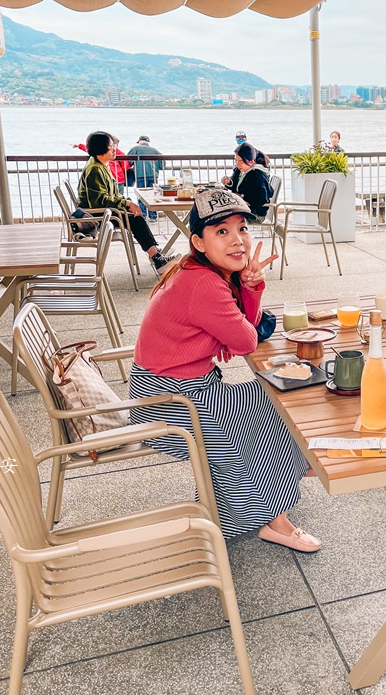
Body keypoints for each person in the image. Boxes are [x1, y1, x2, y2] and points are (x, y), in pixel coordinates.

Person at [127, 189, 320, 551]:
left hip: (171, 386)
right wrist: (250, 288)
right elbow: (247, 340)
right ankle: (272, 517)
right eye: (221, 232)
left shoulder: (195, 271)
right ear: (198, 242)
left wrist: (248, 286)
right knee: (265, 401)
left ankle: (285, 473)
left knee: (264, 396)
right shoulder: (202, 283)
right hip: (166, 402)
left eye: (242, 228)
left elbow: (244, 329)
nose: (238, 240)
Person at [76, 131, 174, 274]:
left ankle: (155, 253)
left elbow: (110, 196)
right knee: (135, 219)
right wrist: (126, 204)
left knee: (135, 215)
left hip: (105, 212)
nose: (114, 150)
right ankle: (156, 257)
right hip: (98, 216)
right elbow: (98, 201)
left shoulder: (101, 165)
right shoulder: (95, 170)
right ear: (100, 151)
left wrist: (126, 202)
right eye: (111, 147)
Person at [227, 143, 271, 220]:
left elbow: (260, 199)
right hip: (247, 210)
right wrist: (229, 183)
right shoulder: (244, 171)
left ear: (251, 161)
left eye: (241, 161)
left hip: (255, 214)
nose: (238, 164)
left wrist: (241, 197)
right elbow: (236, 187)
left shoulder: (257, 175)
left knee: (224, 218)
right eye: (236, 161)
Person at [127, 135, 162, 221]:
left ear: (139, 142)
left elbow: (128, 162)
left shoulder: (135, 149)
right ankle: (153, 216)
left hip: (140, 175)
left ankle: (143, 215)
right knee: (152, 196)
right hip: (153, 175)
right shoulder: (155, 151)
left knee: (141, 196)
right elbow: (162, 165)